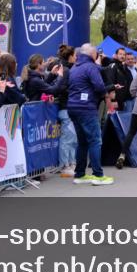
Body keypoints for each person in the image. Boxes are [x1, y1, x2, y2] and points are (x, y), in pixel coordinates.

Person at [53, 43, 113, 185]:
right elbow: (99, 86)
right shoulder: (90, 67)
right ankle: (98, 175)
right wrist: (105, 93)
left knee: (82, 142)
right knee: (95, 141)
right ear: (93, 55)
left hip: (72, 107)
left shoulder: (75, 67)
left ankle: (80, 174)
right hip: (86, 108)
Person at [53, 44, 78, 178]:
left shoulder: (68, 69)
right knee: (68, 138)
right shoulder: (66, 70)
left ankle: (72, 162)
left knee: (72, 137)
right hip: (66, 107)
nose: (76, 58)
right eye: (74, 55)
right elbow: (60, 88)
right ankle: (65, 165)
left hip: (69, 107)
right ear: (70, 56)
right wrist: (74, 91)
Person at [104, 47, 134, 113]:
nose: (122, 56)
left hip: (122, 101)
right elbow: (110, 82)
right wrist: (113, 101)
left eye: (124, 54)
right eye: (120, 54)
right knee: (113, 121)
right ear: (116, 55)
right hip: (115, 101)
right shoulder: (113, 66)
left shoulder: (123, 67)